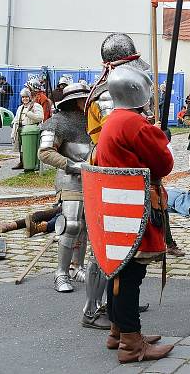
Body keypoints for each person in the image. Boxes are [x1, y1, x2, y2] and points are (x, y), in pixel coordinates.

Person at [93, 65, 174, 362]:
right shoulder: (134, 123)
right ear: (139, 91)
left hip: (117, 205)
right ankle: (131, 342)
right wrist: (158, 136)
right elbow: (163, 164)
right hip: (134, 206)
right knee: (130, 276)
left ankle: (118, 331)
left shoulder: (114, 119)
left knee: (120, 272)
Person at [38, 83, 113, 329]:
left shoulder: (93, 121)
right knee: (71, 225)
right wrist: (73, 165)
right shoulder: (58, 122)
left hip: (94, 179)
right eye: (82, 99)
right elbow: (45, 152)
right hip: (70, 180)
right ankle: (61, 272)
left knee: (88, 227)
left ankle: (79, 267)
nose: (86, 102)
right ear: (73, 101)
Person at [11, 88, 44, 169]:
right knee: (21, 147)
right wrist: (13, 123)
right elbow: (17, 117)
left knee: (31, 147)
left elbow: (40, 117)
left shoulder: (36, 106)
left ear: (29, 97)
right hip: (20, 129)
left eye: (26, 97)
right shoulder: (20, 107)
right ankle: (22, 162)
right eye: (23, 97)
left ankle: (33, 163)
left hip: (31, 130)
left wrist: (29, 114)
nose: (24, 99)